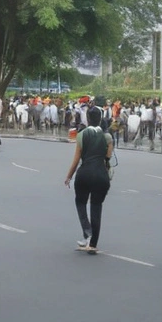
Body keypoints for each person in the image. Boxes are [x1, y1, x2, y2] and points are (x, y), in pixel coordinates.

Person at [64, 107, 113, 255]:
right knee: (96, 206)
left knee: (80, 202)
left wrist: (69, 176)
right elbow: (108, 156)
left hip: (84, 174)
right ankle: (93, 244)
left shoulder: (81, 135)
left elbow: (76, 159)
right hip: (101, 175)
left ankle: (87, 231)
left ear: (88, 118)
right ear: (101, 118)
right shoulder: (107, 137)